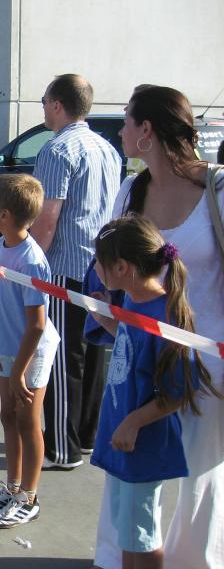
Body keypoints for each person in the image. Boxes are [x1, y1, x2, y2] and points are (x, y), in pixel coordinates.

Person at [93, 86, 224, 569]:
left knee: (197, 483)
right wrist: (106, 311)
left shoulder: (218, 188)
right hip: (138, 362)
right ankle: (121, 558)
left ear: (146, 130)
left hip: (207, 368)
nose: (121, 131)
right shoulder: (131, 190)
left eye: (127, 121)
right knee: (131, 477)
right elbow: (110, 263)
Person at [88, 215, 220, 569]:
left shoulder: (165, 317)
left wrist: (133, 422)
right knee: (127, 534)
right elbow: (135, 350)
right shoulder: (134, 301)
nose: (95, 268)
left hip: (142, 446)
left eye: (99, 261)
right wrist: (108, 322)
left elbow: (178, 391)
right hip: (124, 440)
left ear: (121, 268)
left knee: (142, 538)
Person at [29, 74, 121, 469]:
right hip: (100, 267)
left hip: (66, 269)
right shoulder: (107, 148)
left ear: (56, 104)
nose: (43, 108)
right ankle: (85, 436)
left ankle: (62, 449)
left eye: (44, 101)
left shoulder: (57, 149)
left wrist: (32, 266)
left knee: (62, 358)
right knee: (93, 353)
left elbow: (47, 217)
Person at [0, 173, 59, 528]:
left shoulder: (31, 260)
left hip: (31, 353)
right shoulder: (1, 245)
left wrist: (20, 369)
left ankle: (29, 497)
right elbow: (1, 304)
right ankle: (12, 487)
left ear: (5, 215)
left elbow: (37, 324)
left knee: (27, 421)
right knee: (8, 416)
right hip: (7, 347)